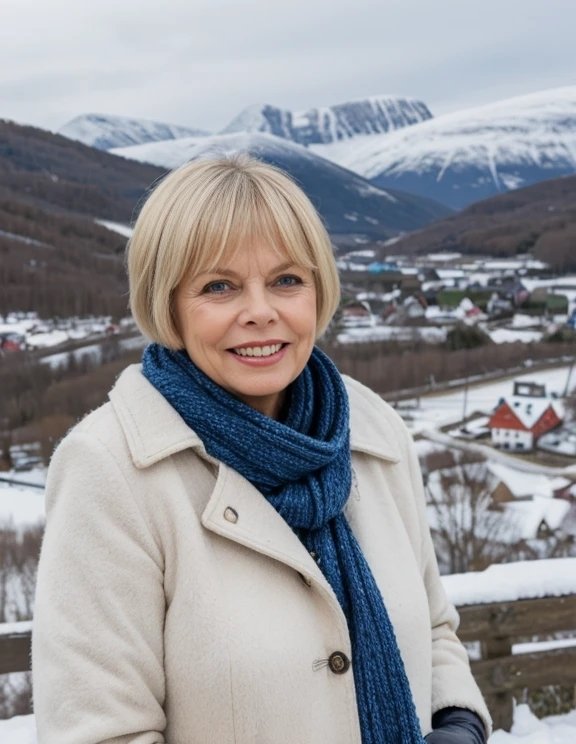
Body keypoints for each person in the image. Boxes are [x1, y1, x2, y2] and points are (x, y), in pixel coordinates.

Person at [33, 154, 491, 744]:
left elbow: (433, 627)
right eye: (218, 286)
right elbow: (100, 731)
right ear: (167, 304)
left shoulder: (373, 432)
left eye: (286, 280)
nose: (260, 312)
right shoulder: (110, 471)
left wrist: (458, 722)